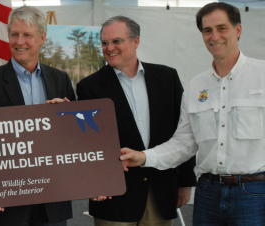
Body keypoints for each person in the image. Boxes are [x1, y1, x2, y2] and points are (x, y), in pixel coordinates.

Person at [120, 2, 265, 225]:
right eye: (207, 30)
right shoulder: (197, 86)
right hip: (208, 193)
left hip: (255, 194)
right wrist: (144, 157)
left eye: (222, 28)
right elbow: (184, 143)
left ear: (238, 30)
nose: (214, 36)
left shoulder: (261, 76)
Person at [76, 16, 196, 226]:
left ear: (136, 41)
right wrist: (93, 183)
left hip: (161, 191)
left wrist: (186, 181)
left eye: (116, 41)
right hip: (114, 197)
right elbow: (87, 143)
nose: (109, 48)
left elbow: (184, 131)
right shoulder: (89, 87)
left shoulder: (167, 78)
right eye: (104, 43)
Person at [0, 5, 75, 226]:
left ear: (42, 38)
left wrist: (67, 118)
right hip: (4, 204)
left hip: (51, 202)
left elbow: (74, 139)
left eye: (27, 35)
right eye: (14, 34)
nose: (19, 42)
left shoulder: (60, 80)